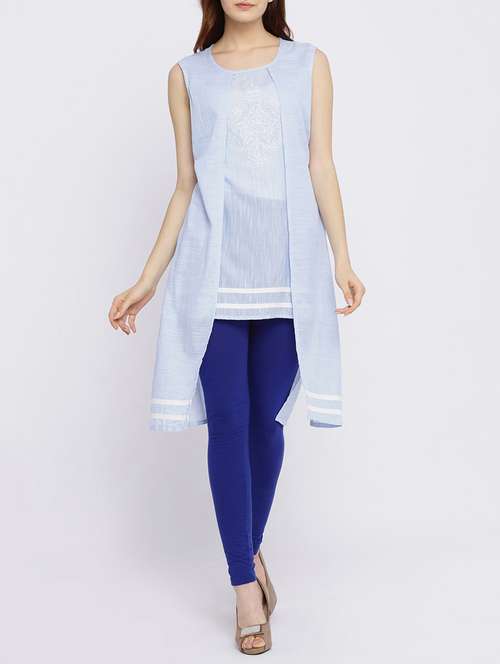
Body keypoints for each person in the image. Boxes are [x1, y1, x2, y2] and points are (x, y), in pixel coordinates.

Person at [108, 0, 365, 655]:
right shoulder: (187, 76)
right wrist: (147, 279)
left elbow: (321, 164)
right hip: (212, 272)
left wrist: (341, 258)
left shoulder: (310, 65)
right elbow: (185, 185)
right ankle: (245, 588)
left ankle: (247, 551)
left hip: (288, 270)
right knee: (227, 421)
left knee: (264, 422)